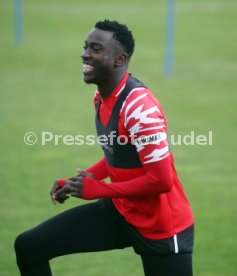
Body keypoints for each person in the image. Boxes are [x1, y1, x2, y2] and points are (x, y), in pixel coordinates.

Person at [14, 20, 194, 276]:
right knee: (29, 246)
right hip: (123, 210)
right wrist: (80, 181)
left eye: (96, 48)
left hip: (162, 225)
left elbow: (161, 180)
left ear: (119, 59)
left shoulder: (140, 109)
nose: (85, 53)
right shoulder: (102, 97)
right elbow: (118, 154)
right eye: (86, 46)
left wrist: (99, 189)